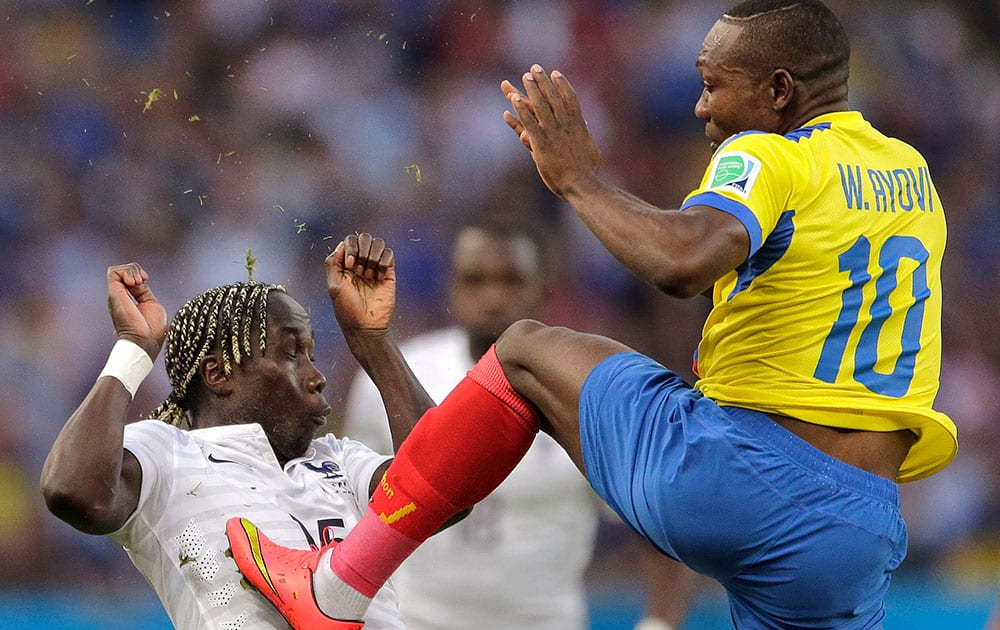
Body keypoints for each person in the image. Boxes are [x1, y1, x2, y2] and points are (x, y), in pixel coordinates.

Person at [224, 1, 957, 627]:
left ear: (779, 90)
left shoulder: (769, 155)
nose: (701, 108)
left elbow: (683, 259)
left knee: (527, 351)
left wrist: (578, 181)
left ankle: (332, 589)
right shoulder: (908, 174)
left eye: (711, 87)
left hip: (745, 479)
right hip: (858, 528)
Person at [40, 234, 441, 629]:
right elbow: (73, 491)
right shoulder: (169, 453)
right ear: (218, 373)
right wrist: (134, 349)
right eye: (291, 354)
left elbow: (443, 492)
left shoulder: (340, 460)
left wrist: (373, 342)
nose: (317, 376)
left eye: (312, 356)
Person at [342, 222, 601, 629]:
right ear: (453, 289)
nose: (493, 297)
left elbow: (653, 519)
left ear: (544, 289)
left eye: (511, 280)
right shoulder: (396, 377)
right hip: (416, 621)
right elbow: (351, 507)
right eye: (476, 280)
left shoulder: (585, 388)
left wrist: (660, 619)